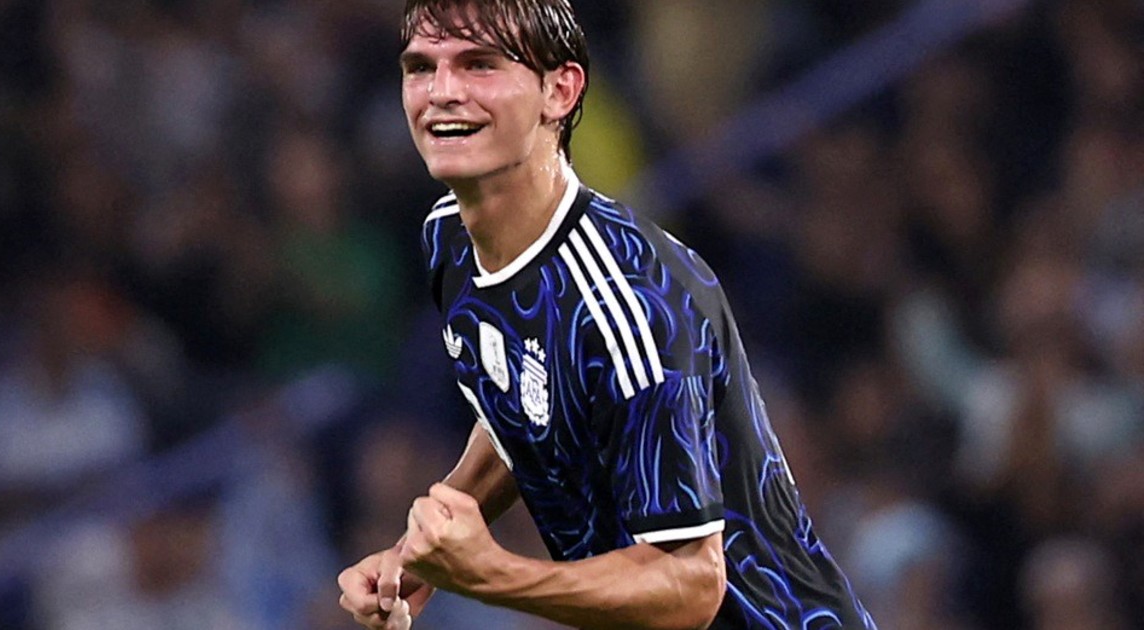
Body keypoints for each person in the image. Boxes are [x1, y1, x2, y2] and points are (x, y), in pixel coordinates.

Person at [337, 1, 876, 628]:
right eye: (421, 68)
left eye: (479, 65)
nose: (442, 92)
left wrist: (488, 573)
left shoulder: (631, 302)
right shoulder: (450, 241)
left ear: (560, 91)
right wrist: (419, 555)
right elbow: (527, 406)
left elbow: (692, 582)